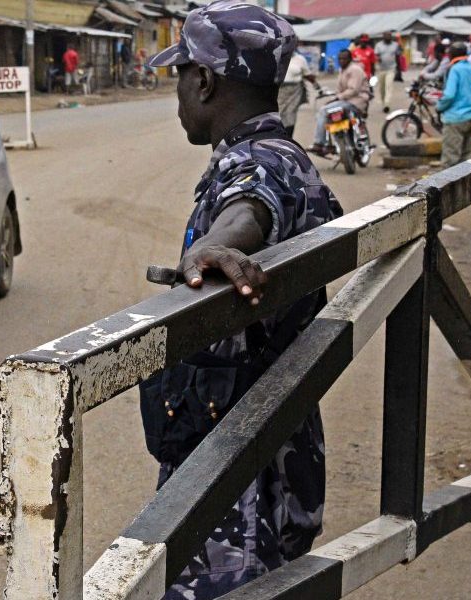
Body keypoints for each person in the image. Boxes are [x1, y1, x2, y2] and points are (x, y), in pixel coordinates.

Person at [143, 1, 341, 597]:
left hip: (241, 479)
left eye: (181, 74)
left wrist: (213, 247)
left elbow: (250, 208)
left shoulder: (257, 165)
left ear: (203, 80)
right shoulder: (283, 155)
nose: (178, 91)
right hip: (270, 448)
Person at [310, 48, 370, 155]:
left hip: (356, 101)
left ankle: (319, 143)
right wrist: (334, 97)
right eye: (340, 59)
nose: (342, 61)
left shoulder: (354, 69)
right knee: (328, 114)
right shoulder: (343, 70)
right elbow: (340, 90)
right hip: (348, 100)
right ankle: (330, 143)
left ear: (350, 59)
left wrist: (337, 97)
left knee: (324, 111)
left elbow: (353, 90)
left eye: (344, 59)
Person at [438, 41, 471, 167]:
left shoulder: (455, 69)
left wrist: (439, 107)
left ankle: (448, 187)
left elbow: (449, 95)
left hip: (455, 120)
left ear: (453, 55)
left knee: (450, 161)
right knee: (464, 161)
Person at [277, 50, 315, 136]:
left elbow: (307, 74)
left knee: (290, 114)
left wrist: (315, 84)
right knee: (278, 114)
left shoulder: (300, 59)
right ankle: (279, 136)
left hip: (294, 91)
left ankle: (288, 137)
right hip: (278, 90)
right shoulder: (276, 57)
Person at [373, 30, 400, 113]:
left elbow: (398, 56)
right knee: (382, 89)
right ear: (383, 36)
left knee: (389, 86)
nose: (388, 37)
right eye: (386, 35)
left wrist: (399, 69)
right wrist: (378, 58)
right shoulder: (378, 45)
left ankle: (387, 104)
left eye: (390, 35)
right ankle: (383, 102)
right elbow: (376, 55)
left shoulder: (395, 45)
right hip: (381, 70)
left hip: (391, 69)